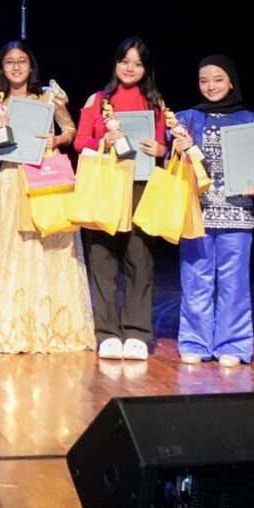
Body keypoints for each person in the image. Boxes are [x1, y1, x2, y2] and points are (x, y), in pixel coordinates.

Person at [172, 55, 254, 368]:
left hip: (237, 212)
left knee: (233, 281)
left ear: (231, 81)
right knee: (195, 278)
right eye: (204, 80)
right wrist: (175, 148)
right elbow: (170, 159)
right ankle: (195, 341)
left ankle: (232, 344)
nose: (210, 86)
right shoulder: (187, 118)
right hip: (197, 210)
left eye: (218, 79)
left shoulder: (252, 119)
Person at [0, 41, 93, 353]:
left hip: (44, 177)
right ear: (2, 68)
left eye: (22, 61)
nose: (17, 67)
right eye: (10, 62)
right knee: (13, 249)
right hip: (10, 178)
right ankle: (14, 326)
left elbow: (71, 129)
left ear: (31, 65)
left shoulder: (49, 94)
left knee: (48, 248)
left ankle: (53, 325)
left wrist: (55, 139)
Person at [74, 36, 167, 361]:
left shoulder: (155, 103)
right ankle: (108, 333)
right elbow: (80, 141)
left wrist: (161, 150)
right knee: (102, 258)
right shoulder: (98, 99)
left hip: (141, 186)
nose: (130, 68)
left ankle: (138, 332)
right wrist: (103, 138)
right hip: (104, 183)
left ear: (145, 69)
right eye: (125, 61)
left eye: (137, 63)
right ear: (115, 64)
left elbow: (161, 146)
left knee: (140, 258)